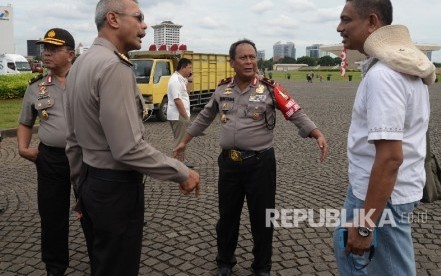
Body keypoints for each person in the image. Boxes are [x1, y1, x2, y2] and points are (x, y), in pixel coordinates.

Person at [64, 1, 200, 275]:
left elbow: (73, 140)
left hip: (92, 183)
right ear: (113, 19)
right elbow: (127, 148)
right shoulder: (114, 67)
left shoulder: (81, 64)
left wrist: (82, 190)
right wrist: (181, 171)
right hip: (115, 190)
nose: (144, 25)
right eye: (138, 17)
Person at [174, 39, 328, 276]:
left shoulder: (269, 88)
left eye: (252, 57)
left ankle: (262, 266)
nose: (249, 62)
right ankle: (225, 261)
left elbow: (294, 111)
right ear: (232, 62)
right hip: (229, 165)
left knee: (262, 217)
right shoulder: (222, 89)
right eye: (243, 57)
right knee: (227, 217)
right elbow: (205, 116)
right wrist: (184, 141)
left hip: (260, 164)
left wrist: (316, 133)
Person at [333, 0, 436, 275]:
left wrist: (366, 224)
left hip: (379, 194)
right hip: (381, 190)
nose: (339, 27)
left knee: (381, 265)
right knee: (357, 254)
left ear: (372, 22)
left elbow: (390, 157)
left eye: (346, 20)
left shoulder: (384, 76)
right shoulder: (404, 70)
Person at [17, 28, 76, 276]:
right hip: (51, 158)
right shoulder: (37, 87)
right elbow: (25, 122)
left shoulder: (86, 81)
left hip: (87, 156)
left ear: (70, 54)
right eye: (45, 48)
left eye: (53, 49)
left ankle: (101, 259)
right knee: (52, 215)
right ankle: (55, 266)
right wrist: (22, 148)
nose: (46, 53)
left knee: (94, 210)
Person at [167, 58, 194, 167]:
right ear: (183, 67)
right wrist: (186, 116)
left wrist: (190, 80)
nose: (190, 70)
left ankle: (180, 163)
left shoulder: (181, 79)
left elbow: (186, 93)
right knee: (179, 141)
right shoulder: (175, 80)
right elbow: (177, 100)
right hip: (179, 115)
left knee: (182, 140)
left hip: (180, 115)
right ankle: (177, 165)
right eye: (189, 67)